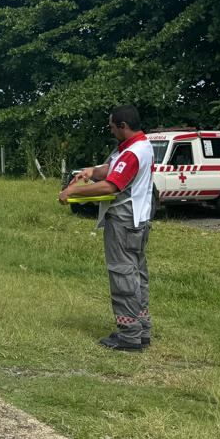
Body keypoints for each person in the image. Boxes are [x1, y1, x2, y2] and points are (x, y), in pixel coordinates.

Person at [58, 105, 156, 351]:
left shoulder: (133, 153)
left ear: (123, 126)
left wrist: (72, 192)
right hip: (138, 221)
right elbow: (111, 170)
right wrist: (89, 171)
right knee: (137, 275)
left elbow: (111, 186)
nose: (111, 130)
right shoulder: (140, 147)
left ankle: (129, 335)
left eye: (112, 126)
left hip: (124, 222)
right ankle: (142, 328)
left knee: (122, 274)